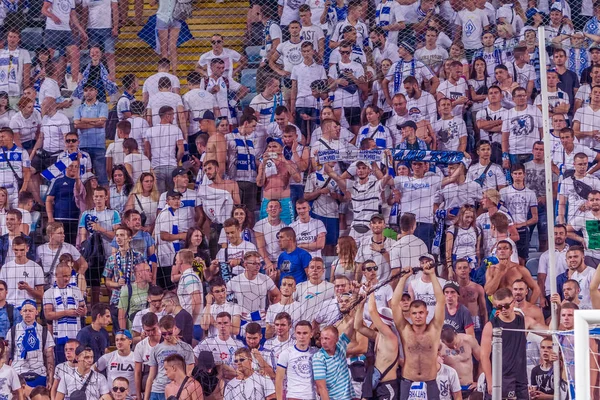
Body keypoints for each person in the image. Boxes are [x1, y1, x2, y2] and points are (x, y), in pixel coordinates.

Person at [391, 256, 445, 399]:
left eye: (421, 312)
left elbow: (440, 301)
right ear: (410, 314)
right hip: (408, 381)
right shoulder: (404, 329)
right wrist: (403, 278)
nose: (418, 316)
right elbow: (394, 304)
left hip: (430, 381)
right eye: (414, 313)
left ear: (427, 312)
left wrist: (432, 275)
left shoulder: (434, 328)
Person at [481, 288, 547, 398]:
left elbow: (550, 332)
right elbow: (484, 356)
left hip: (520, 379)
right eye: (499, 307)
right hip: (499, 378)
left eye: (506, 306)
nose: (503, 309)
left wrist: (557, 307)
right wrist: (490, 380)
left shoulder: (525, 321)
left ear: (513, 302)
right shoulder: (490, 326)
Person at [354, 292, 399, 400]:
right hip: (376, 385)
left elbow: (372, 311)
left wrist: (371, 291)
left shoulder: (390, 337)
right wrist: (360, 306)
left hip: (387, 386)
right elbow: (358, 326)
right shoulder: (378, 336)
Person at [42, 262, 86, 364]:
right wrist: (66, 312)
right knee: (61, 365)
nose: (67, 278)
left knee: (77, 364)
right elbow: (48, 315)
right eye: (64, 276)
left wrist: (82, 311)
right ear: (56, 276)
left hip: (76, 335)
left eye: (68, 276)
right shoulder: (49, 293)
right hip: (59, 337)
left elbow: (84, 309)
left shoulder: (76, 290)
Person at [145, 315, 195, 400]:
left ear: (175, 328)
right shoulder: (156, 349)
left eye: (170, 333)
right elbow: (151, 376)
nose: (167, 336)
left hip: (176, 390)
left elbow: (189, 375)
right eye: (164, 334)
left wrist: (184, 392)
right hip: (157, 390)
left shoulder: (186, 348)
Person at [143, 106, 185, 193]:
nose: (174, 117)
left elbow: (147, 152)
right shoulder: (176, 129)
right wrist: (176, 161)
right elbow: (181, 150)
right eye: (173, 115)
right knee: (174, 195)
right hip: (172, 166)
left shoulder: (149, 131)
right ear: (167, 116)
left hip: (156, 166)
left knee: (160, 197)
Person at [275, 320, 317, 400]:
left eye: (305, 333)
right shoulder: (286, 353)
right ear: (295, 334)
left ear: (311, 334)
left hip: (313, 397)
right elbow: (279, 380)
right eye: (299, 333)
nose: (301, 337)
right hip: (294, 396)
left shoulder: (316, 353)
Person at [0, 235, 43, 306]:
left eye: (22, 250)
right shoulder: (5, 268)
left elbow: (41, 295)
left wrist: (28, 288)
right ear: (12, 249)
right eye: (16, 250)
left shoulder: (36, 268)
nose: (19, 254)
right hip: (9, 306)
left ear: (27, 249)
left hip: (28, 306)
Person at [440, 326, 481, 397]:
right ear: (443, 342)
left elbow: (482, 359)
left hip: (468, 387)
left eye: (456, 344)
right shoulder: (439, 346)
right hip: (449, 389)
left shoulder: (468, 340)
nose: (455, 348)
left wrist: (479, 382)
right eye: (451, 346)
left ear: (456, 335)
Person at [96, 330, 136, 399]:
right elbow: (92, 371)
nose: (119, 342)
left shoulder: (137, 358)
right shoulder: (108, 357)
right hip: (112, 396)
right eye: (117, 340)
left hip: (131, 397)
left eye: (122, 339)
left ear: (130, 341)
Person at [118, 261, 152, 331]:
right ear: (139, 274)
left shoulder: (152, 289)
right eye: (148, 270)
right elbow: (121, 316)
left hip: (149, 330)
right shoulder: (127, 290)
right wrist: (124, 334)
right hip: (133, 332)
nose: (151, 273)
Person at [134, 312, 161, 397]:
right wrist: (138, 396)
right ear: (143, 328)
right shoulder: (140, 346)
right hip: (147, 374)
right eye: (148, 330)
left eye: (153, 329)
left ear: (158, 325)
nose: (151, 333)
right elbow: (137, 372)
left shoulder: (166, 341)